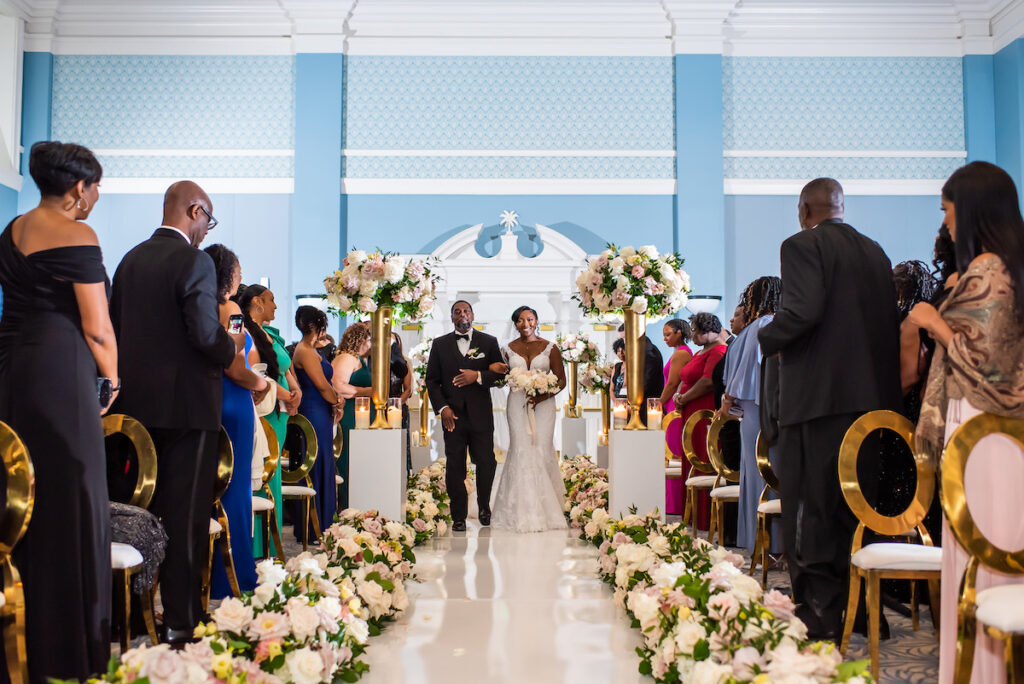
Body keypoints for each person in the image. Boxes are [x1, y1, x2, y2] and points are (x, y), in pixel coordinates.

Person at [758, 177, 901, 640]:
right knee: (858, 509)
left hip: (817, 402)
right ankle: (863, 612)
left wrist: (764, 337)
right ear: (841, 206)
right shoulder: (876, 252)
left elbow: (802, 312)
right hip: (871, 406)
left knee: (811, 510)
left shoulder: (802, 245)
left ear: (804, 210)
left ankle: (819, 616)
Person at [0, 141, 115, 680]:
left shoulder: (14, 229)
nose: (95, 198)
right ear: (77, 189)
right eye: (95, 188)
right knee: (75, 495)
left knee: (23, 496)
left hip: (14, 368)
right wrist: (112, 379)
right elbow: (96, 326)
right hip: (63, 371)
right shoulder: (77, 232)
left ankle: (20, 640)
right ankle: (70, 648)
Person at [110, 180, 241, 644]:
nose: (207, 230)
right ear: (194, 210)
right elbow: (206, 336)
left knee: (134, 513)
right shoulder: (194, 261)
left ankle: (127, 616)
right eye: (208, 219)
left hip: (134, 414)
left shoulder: (129, 261)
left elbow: (116, 330)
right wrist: (234, 346)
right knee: (184, 519)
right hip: (187, 409)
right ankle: (181, 621)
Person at [909, 161, 1024, 684]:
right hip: (974, 422)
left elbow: (994, 365)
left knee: (988, 543)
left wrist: (932, 322)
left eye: (948, 211)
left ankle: (987, 670)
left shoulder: (991, 271)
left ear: (970, 209)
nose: (946, 223)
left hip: (986, 427)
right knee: (973, 543)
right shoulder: (991, 268)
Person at [203, 245, 267, 598]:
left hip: (211, 400)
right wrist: (262, 383)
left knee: (214, 487)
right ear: (227, 274)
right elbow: (236, 363)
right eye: (239, 272)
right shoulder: (232, 310)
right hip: (235, 398)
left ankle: (211, 573)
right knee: (235, 489)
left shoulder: (197, 307)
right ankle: (236, 574)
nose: (241, 278)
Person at [424, 300, 505, 532]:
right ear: (451, 318)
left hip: (481, 416)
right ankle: (458, 515)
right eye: (457, 311)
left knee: (487, 463)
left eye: (466, 310)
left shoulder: (488, 342)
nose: (462, 314)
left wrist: (478, 376)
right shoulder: (439, 345)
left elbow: (500, 377)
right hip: (453, 417)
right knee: (455, 467)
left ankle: (484, 509)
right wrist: (442, 409)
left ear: (473, 314)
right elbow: (432, 380)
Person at [235, 283, 301, 557]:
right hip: (267, 409)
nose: (275, 305)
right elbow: (255, 373)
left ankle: (270, 545)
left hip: (281, 409)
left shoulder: (267, 333)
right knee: (263, 472)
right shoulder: (247, 332)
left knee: (272, 476)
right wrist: (287, 393)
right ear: (258, 302)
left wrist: (295, 394)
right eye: (271, 300)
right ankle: (257, 546)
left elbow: (283, 367)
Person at [491, 305, 567, 532]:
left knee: (541, 448)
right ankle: (520, 509)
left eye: (530, 319)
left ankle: (546, 508)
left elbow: (561, 380)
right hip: (516, 403)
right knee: (521, 448)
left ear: (536, 320)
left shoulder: (550, 348)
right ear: (515, 324)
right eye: (521, 321)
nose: (526, 324)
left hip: (543, 406)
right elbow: (500, 379)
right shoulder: (507, 349)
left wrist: (542, 394)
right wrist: (501, 374)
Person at [721, 276, 782, 553]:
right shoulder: (765, 325)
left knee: (760, 472)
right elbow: (746, 370)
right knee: (766, 472)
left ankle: (759, 538)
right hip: (762, 409)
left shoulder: (757, 326)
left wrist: (729, 400)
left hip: (754, 409)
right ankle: (769, 540)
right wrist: (730, 398)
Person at [672, 312, 728, 531]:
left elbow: (707, 382)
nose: (692, 336)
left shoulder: (719, 351)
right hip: (690, 409)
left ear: (708, 330)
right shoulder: (701, 350)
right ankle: (692, 514)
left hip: (703, 411)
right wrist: (679, 395)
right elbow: (686, 377)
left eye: (695, 331)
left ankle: (705, 517)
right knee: (691, 458)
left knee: (703, 458)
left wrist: (684, 397)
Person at [291, 306, 341, 535]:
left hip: (320, 409)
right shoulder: (305, 351)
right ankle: (314, 527)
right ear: (316, 325)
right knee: (316, 462)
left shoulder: (311, 349)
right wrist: (336, 402)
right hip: (313, 411)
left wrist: (335, 401)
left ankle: (323, 522)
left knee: (323, 461)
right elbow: (321, 385)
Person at [332, 322, 373, 509]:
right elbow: (338, 385)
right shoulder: (347, 358)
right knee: (349, 461)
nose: (371, 344)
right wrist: (366, 391)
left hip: (361, 414)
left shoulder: (358, 358)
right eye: (369, 339)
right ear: (361, 339)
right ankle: (349, 507)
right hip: (350, 414)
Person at [617, 323, 664, 423]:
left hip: (646, 407)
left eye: (626, 338)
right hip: (636, 405)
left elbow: (645, 382)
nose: (624, 342)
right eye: (623, 339)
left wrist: (630, 403)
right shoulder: (638, 350)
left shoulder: (649, 352)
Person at [390, 332, 413, 472]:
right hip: (379, 405)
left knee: (402, 446)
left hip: (398, 407)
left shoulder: (403, 361)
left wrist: (396, 405)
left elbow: (408, 389)